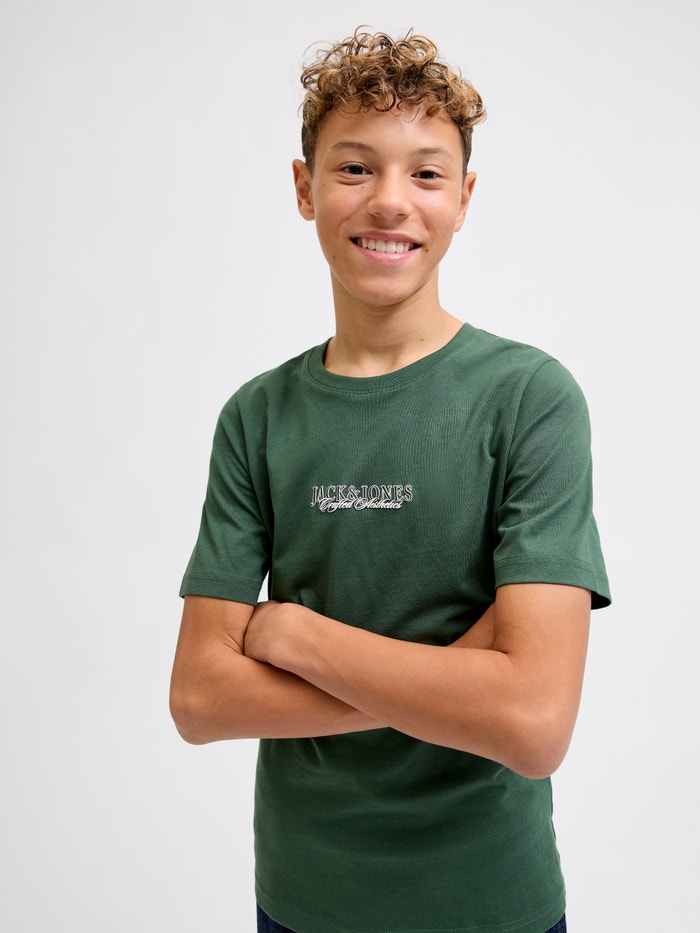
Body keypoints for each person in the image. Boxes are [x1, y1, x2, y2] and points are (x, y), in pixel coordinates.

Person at [169, 27, 611, 933]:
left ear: (464, 198)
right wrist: (459, 678)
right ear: (305, 188)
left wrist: (296, 635)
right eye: (354, 167)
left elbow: (533, 724)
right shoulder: (257, 417)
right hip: (302, 903)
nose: (390, 201)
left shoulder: (529, 399)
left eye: (427, 173)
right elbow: (201, 700)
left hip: (491, 905)